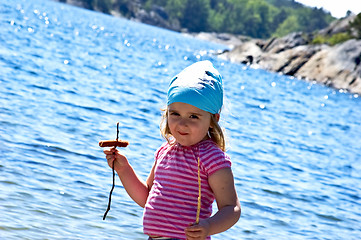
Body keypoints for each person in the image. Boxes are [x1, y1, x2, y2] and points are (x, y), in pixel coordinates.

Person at [104, 60, 241, 240]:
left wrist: (209, 226)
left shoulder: (212, 157)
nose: (182, 123)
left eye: (193, 116)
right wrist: (123, 169)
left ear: (213, 119)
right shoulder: (165, 151)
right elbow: (147, 198)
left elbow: (231, 208)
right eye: (175, 114)